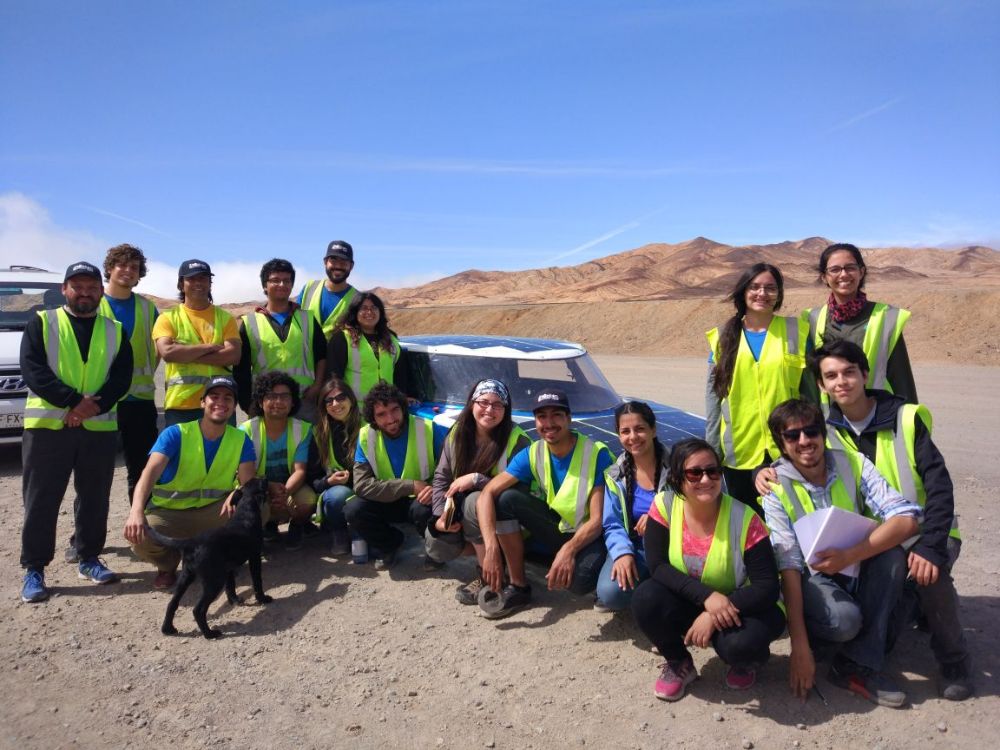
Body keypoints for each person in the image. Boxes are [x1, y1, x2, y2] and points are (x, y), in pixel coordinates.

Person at [757, 340, 971, 699]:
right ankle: (847, 643)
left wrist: (932, 545)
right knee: (855, 613)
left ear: (865, 374)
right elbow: (789, 558)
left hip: (920, 531)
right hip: (849, 552)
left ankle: (951, 661)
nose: (805, 439)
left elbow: (935, 489)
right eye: (830, 376)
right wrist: (759, 475)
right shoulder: (829, 429)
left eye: (848, 372)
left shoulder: (902, 419)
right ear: (822, 386)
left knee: (923, 571)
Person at [759, 399, 920, 707]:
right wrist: (799, 647)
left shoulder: (854, 462)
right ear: (781, 443)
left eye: (811, 431)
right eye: (792, 436)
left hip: (855, 563)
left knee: (892, 556)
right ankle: (830, 641)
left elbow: (905, 518)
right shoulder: (775, 487)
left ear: (823, 432)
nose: (805, 441)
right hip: (813, 578)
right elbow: (789, 566)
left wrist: (849, 556)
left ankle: (854, 666)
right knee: (845, 622)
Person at [630, 439, 784, 701]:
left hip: (745, 605)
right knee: (645, 598)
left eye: (713, 471)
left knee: (740, 645)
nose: (705, 479)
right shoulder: (664, 506)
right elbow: (657, 566)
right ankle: (679, 662)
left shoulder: (745, 518)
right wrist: (707, 598)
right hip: (697, 599)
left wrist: (714, 614)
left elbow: (767, 587)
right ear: (678, 478)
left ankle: (744, 661)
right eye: (694, 473)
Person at [19, 261, 133, 602]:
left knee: (94, 497)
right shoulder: (42, 322)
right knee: (41, 498)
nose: (85, 292)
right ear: (64, 289)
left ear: (100, 290)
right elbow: (32, 369)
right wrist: (72, 403)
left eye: (91, 287)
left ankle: (88, 558)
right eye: (77, 286)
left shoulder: (114, 329)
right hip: (48, 428)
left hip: (97, 427)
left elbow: (121, 377)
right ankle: (34, 569)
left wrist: (90, 408)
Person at [468, 389, 615, 619]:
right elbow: (487, 493)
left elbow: (597, 520)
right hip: (560, 527)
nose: (549, 423)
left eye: (556, 415)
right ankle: (518, 586)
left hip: (592, 535)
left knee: (577, 583)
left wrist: (569, 550)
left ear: (569, 418)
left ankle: (592, 566)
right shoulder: (533, 452)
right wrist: (491, 549)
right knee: (505, 499)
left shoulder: (595, 454)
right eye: (542, 416)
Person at [124, 376, 256, 590]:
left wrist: (237, 494)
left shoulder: (240, 439)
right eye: (214, 396)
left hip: (213, 512)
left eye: (228, 398)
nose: (220, 402)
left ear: (233, 407)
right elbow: (148, 475)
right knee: (140, 537)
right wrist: (136, 511)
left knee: (258, 508)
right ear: (202, 402)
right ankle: (168, 565)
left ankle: (221, 558)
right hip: (170, 513)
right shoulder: (175, 434)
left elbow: (248, 483)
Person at [705, 263, 806, 508]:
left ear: (779, 294)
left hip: (788, 446)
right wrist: (711, 450)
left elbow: (809, 392)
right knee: (747, 527)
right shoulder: (722, 337)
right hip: (739, 452)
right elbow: (713, 399)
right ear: (743, 292)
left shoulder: (796, 331)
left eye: (771, 288)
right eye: (755, 287)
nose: (762, 293)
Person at [426, 379, 530, 603]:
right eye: (483, 402)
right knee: (436, 544)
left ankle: (489, 576)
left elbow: (521, 491)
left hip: (507, 519)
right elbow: (441, 477)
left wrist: (477, 480)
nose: (489, 409)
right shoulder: (457, 433)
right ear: (472, 403)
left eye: (497, 405)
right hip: (465, 511)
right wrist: (439, 516)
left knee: (476, 500)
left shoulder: (517, 439)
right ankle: (491, 559)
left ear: (506, 410)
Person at [344, 382, 446, 569]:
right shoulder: (366, 436)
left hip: (422, 499)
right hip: (388, 499)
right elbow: (361, 485)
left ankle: (435, 551)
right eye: (381, 414)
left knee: (426, 509)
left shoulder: (429, 428)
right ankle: (390, 544)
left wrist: (435, 489)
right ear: (372, 418)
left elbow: (452, 469)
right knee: (353, 509)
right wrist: (410, 485)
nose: (390, 419)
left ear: (403, 408)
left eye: (394, 410)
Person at [802, 242, 916, 405]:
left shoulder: (885, 317)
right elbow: (810, 381)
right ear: (824, 277)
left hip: (876, 418)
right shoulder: (811, 319)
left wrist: (912, 424)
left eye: (850, 268)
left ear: (861, 272)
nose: (843, 275)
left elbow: (901, 379)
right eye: (835, 269)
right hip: (830, 422)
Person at [98, 243, 160, 508]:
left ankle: (144, 526)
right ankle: (85, 541)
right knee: (96, 473)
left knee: (142, 470)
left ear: (139, 274)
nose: (127, 271)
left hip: (140, 401)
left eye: (134, 267)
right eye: (121, 265)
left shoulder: (148, 309)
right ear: (110, 269)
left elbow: (157, 351)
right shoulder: (94, 306)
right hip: (101, 402)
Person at [594, 401, 671, 613]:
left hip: (673, 548)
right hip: (637, 546)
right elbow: (612, 524)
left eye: (639, 429)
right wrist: (622, 554)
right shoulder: (615, 475)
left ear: (653, 430)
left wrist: (659, 515)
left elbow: (698, 507)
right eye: (625, 431)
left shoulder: (678, 467)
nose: (632, 437)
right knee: (609, 593)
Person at [235, 258, 328, 422]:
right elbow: (241, 369)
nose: (282, 284)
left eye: (287, 280)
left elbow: (322, 356)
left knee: (305, 446)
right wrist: (247, 402)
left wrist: (317, 387)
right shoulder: (250, 323)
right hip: (265, 402)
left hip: (304, 401)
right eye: (275, 280)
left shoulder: (307, 319)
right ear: (265, 285)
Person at [153, 259, 241, 426]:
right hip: (181, 405)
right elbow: (168, 353)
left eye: (203, 278)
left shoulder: (225, 318)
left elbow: (233, 355)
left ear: (210, 283)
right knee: (182, 453)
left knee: (224, 452)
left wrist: (184, 352)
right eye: (191, 279)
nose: (198, 283)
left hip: (220, 403)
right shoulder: (167, 319)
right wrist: (209, 348)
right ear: (181, 284)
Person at [240, 372, 317, 550]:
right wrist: (269, 487)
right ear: (261, 402)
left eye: (284, 396)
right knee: (252, 506)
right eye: (271, 396)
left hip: (288, 486)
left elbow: (300, 470)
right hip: (259, 487)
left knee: (308, 502)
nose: (278, 402)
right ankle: (266, 528)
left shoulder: (302, 429)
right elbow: (246, 475)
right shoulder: (246, 430)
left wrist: (285, 492)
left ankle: (297, 526)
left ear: (292, 402)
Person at [309, 378, 362, 557]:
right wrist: (328, 481)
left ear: (351, 399)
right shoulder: (318, 433)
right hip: (340, 491)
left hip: (368, 487)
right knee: (336, 496)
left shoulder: (369, 427)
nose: (335, 404)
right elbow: (313, 480)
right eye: (329, 400)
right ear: (323, 406)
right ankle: (338, 532)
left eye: (341, 397)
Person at [326, 291, 412, 401]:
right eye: (364, 308)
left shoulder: (391, 339)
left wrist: (404, 397)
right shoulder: (342, 339)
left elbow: (400, 375)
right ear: (355, 312)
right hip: (355, 411)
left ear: (380, 312)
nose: (369, 312)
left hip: (385, 411)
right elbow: (334, 378)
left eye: (374, 308)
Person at [298, 240, 358, 339]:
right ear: (325, 262)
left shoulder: (357, 299)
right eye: (333, 261)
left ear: (351, 266)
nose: (338, 266)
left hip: (338, 354)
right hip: (306, 354)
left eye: (343, 262)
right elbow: (293, 319)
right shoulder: (309, 288)